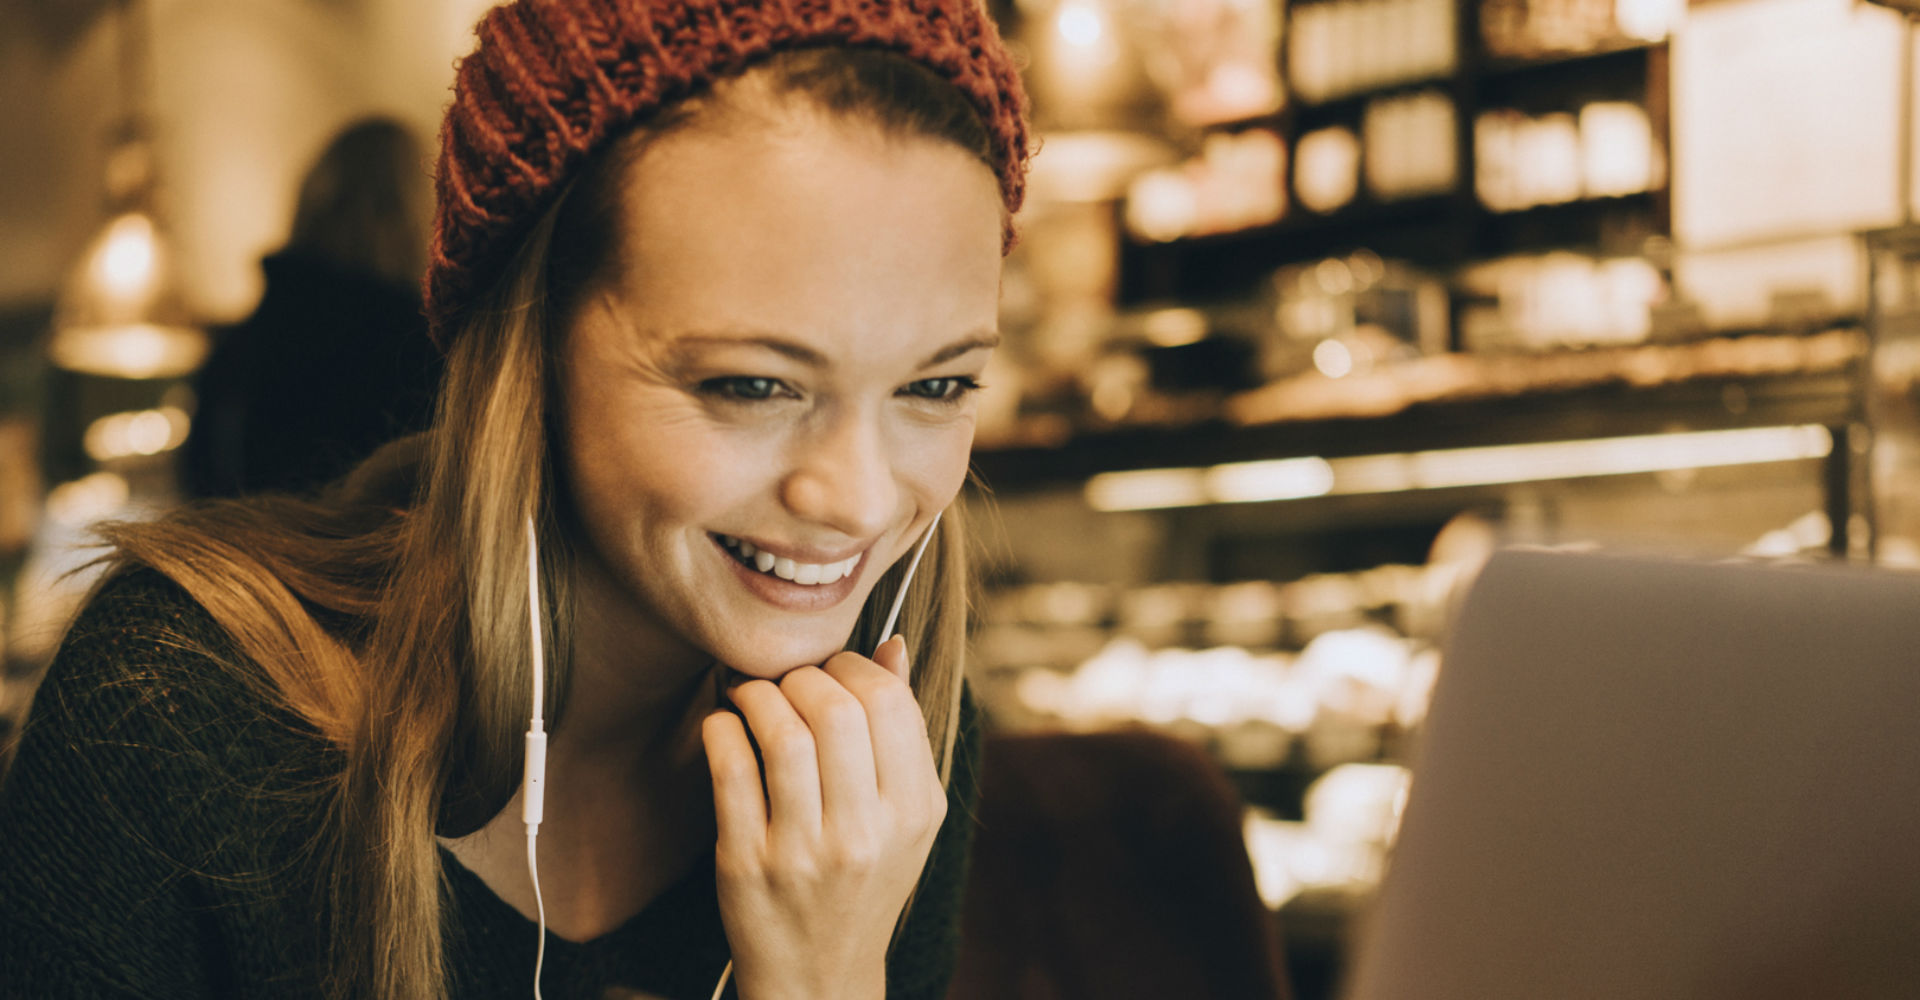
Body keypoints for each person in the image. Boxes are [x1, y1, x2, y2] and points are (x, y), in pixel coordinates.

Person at [0, 0, 1031, 997]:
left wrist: (820, 976)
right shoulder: (179, 714)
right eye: (751, 385)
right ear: (526, 349)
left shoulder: (890, 737)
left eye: (936, 387)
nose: (854, 500)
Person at [181, 118, 444, 499]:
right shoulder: (420, 352)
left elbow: (198, 493)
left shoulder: (241, 349)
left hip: (239, 555)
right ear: (416, 214)